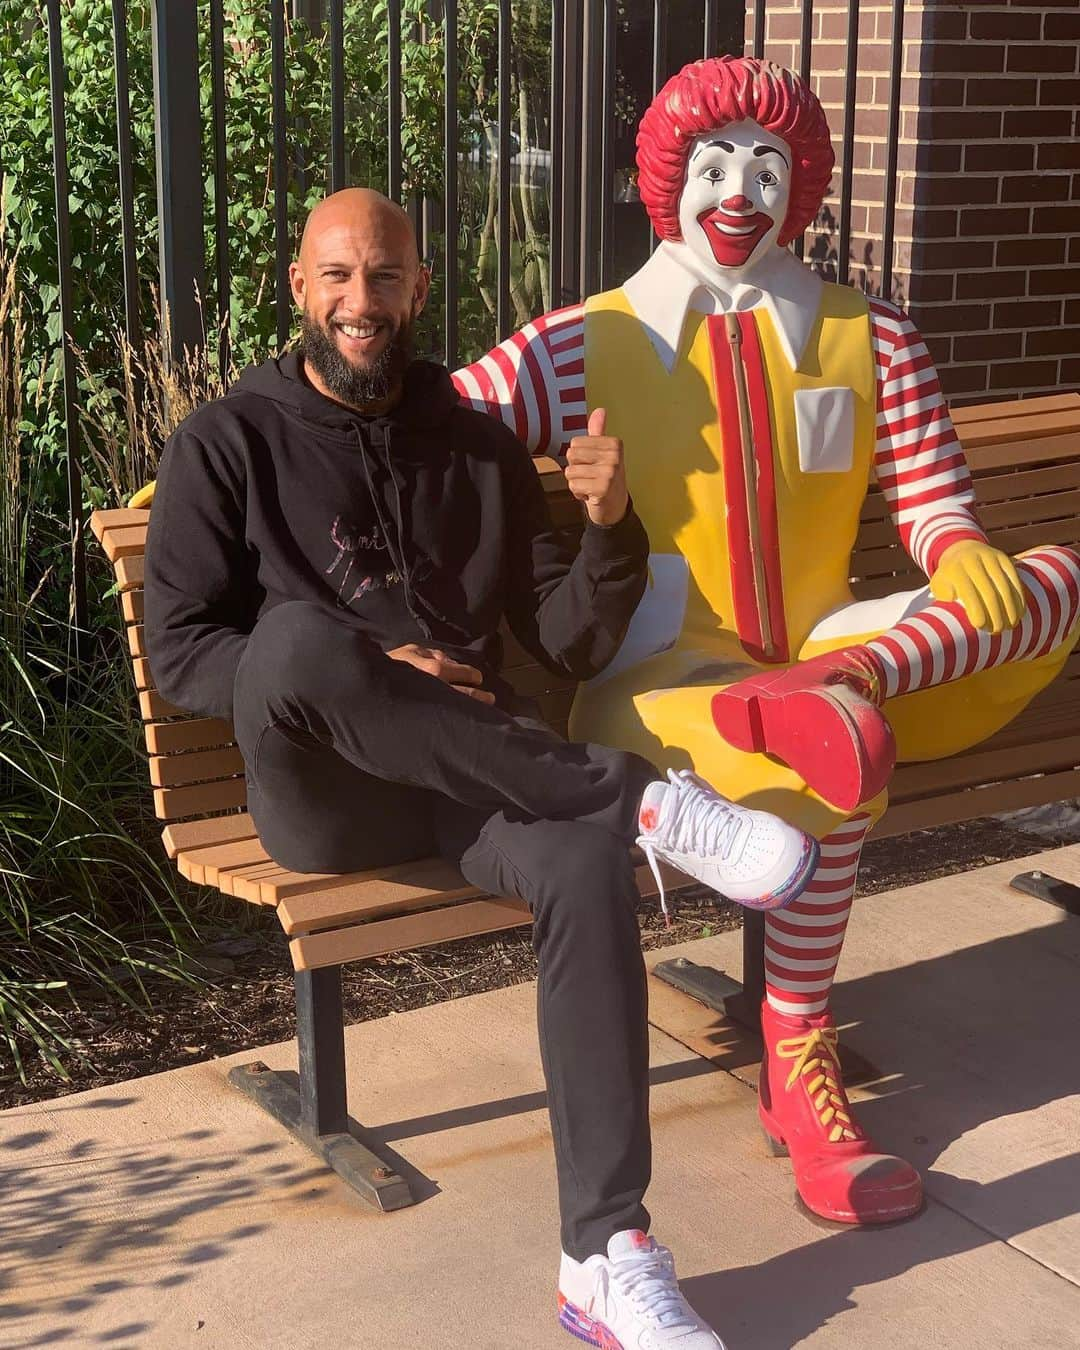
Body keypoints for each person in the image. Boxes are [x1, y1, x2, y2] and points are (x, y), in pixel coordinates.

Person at [143, 187, 822, 1349]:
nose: (365, 303)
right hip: (331, 799)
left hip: (481, 782)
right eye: (341, 278)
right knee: (302, 638)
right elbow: (184, 654)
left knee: (578, 861)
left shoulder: (473, 438)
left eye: (387, 278)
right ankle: (643, 799)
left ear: (418, 289)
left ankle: (605, 1253)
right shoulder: (226, 440)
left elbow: (560, 637)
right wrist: (371, 664)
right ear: (301, 290)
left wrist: (611, 527)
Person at [455, 55, 1080, 1227]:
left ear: (803, 186)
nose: (739, 188)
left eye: (768, 162)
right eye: (712, 162)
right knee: (833, 757)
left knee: (1055, 581)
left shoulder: (874, 338)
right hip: (662, 692)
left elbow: (936, 505)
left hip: (838, 647)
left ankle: (831, 686)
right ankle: (799, 1065)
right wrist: (242, 469)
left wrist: (961, 560)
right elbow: (423, 433)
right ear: (667, 181)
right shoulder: (580, 343)